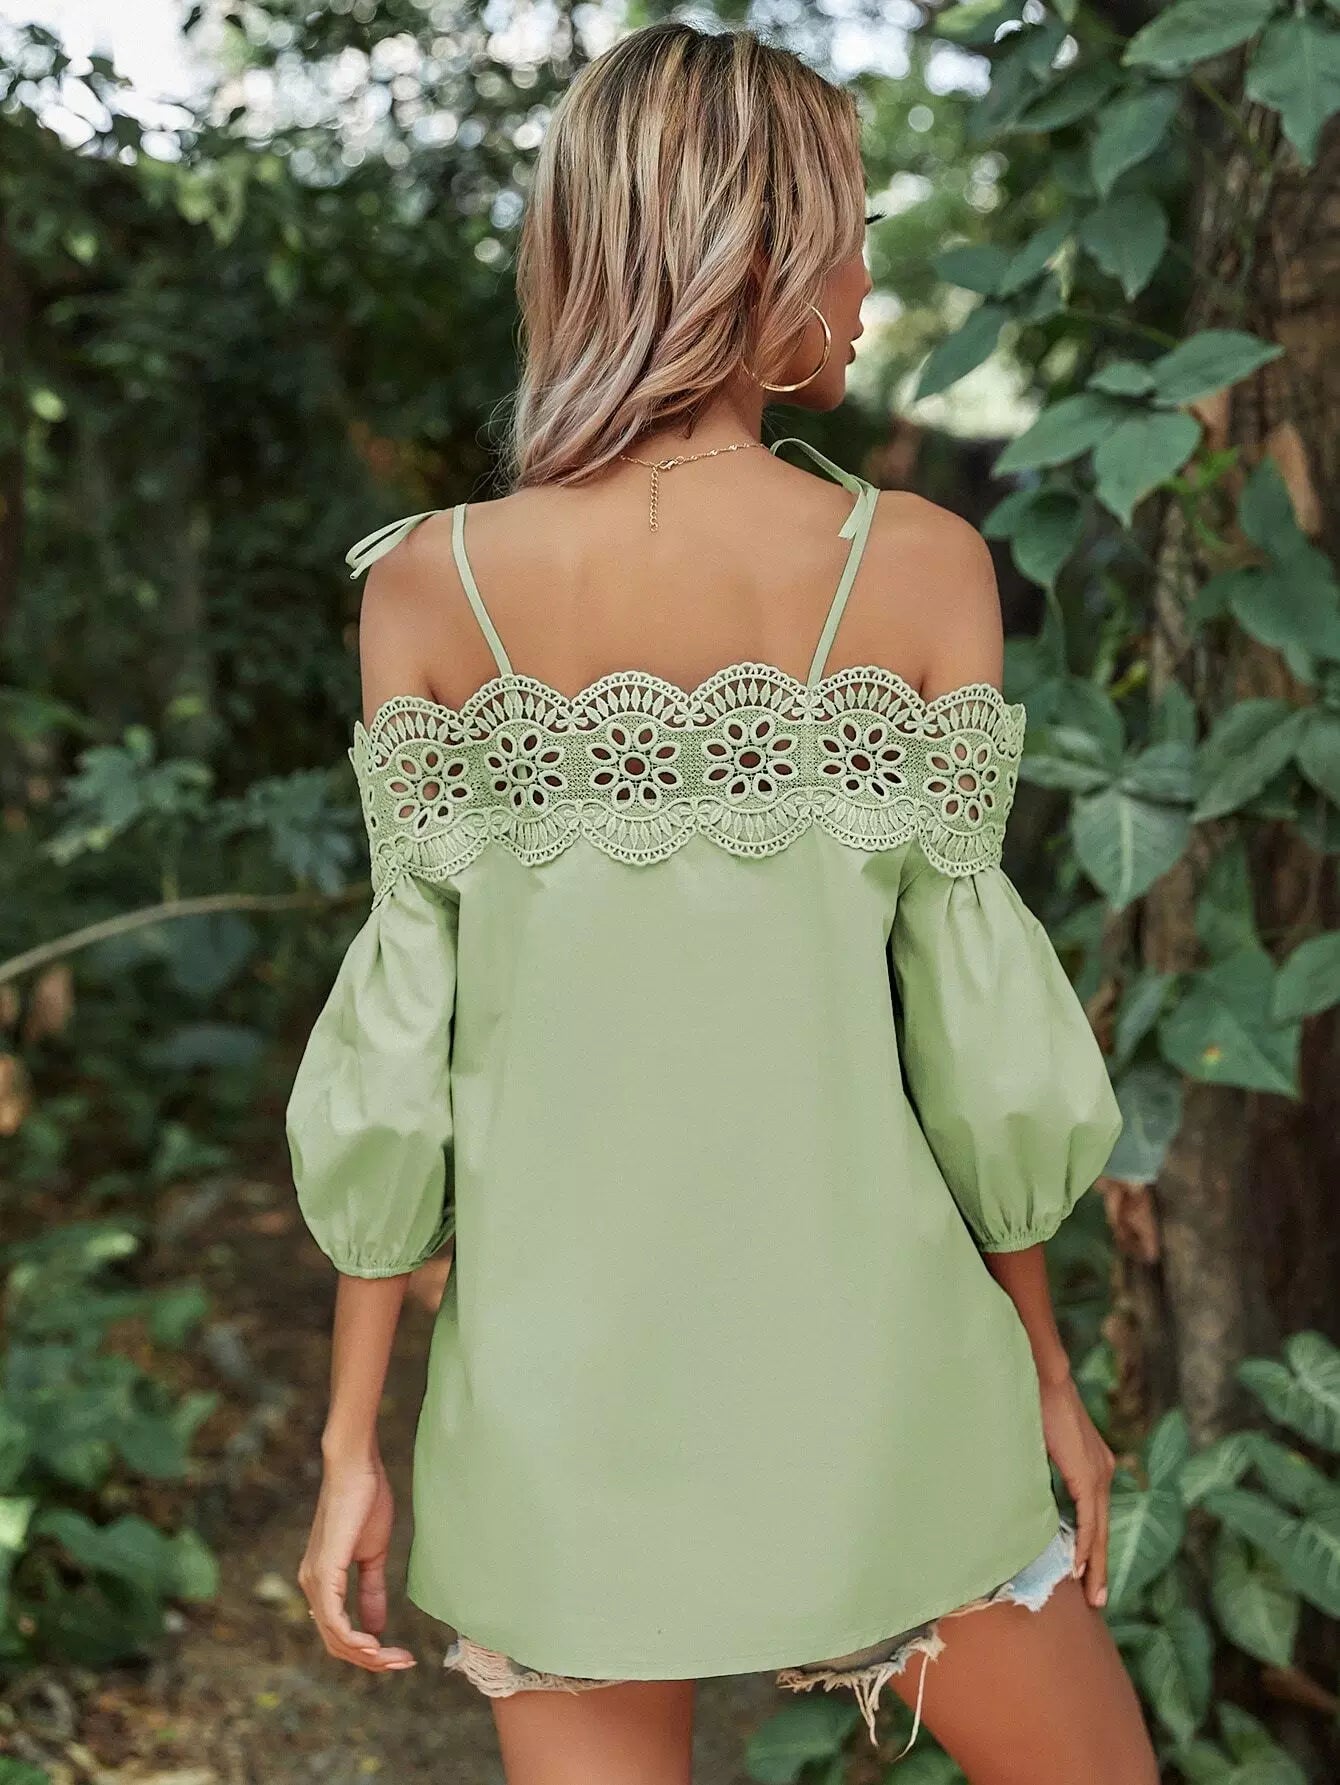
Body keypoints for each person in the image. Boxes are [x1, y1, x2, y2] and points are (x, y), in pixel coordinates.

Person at [287, 20, 1160, 1785]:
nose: (866, 284)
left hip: (558, 1425)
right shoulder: (923, 568)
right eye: (849, 234)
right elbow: (982, 1056)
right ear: (753, 253)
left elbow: (396, 1057)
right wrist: (1048, 1377)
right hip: (887, 1396)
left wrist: (352, 1443)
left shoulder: (431, 590)